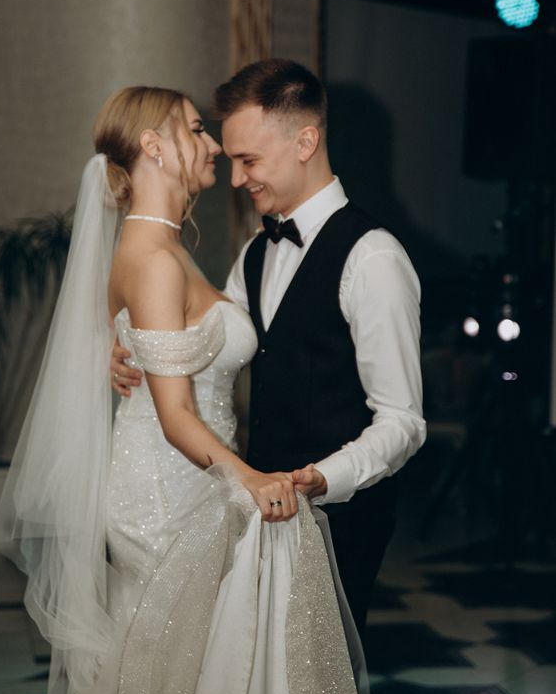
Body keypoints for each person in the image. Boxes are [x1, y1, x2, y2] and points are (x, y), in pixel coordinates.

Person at [0, 86, 375, 694]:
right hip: (166, 494)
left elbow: (146, 348)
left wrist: (116, 352)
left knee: (191, 685)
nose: (213, 146)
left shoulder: (164, 250)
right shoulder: (156, 259)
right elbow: (174, 416)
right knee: (185, 687)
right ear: (154, 147)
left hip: (188, 482)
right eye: (196, 130)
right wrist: (249, 478)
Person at [113, 60, 426, 640]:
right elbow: (209, 337)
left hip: (341, 520)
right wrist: (128, 344)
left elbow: (403, 421)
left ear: (305, 142)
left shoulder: (374, 258)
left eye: (249, 161)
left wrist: (322, 478)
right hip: (254, 513)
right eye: (232, 160)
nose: (236, 179)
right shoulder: (256, 252)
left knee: (324, 684)